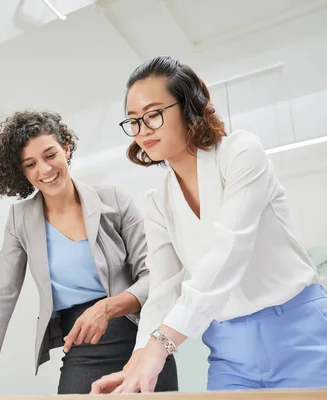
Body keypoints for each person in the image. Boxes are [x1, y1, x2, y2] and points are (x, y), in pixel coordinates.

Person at [90, 55, 327, 394]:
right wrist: (137, 360)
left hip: (299, 334)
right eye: (134, 121)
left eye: (154, 114)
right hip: (230, 351)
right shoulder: (159, 202)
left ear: (189, 106)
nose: (143, 130)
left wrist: (159, 347)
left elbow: (227, 255)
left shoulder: (241, 153)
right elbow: (161, 291)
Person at [0, 110, 178, 395]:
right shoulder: (20, 220)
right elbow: (3, 295)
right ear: (22, 172)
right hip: (81, 351)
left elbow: (155, 278)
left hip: (142, 347)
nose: (45, 169)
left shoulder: (114, 200)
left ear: (65, 148)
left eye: (50, 155)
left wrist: (106, 308)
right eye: (30, 164)